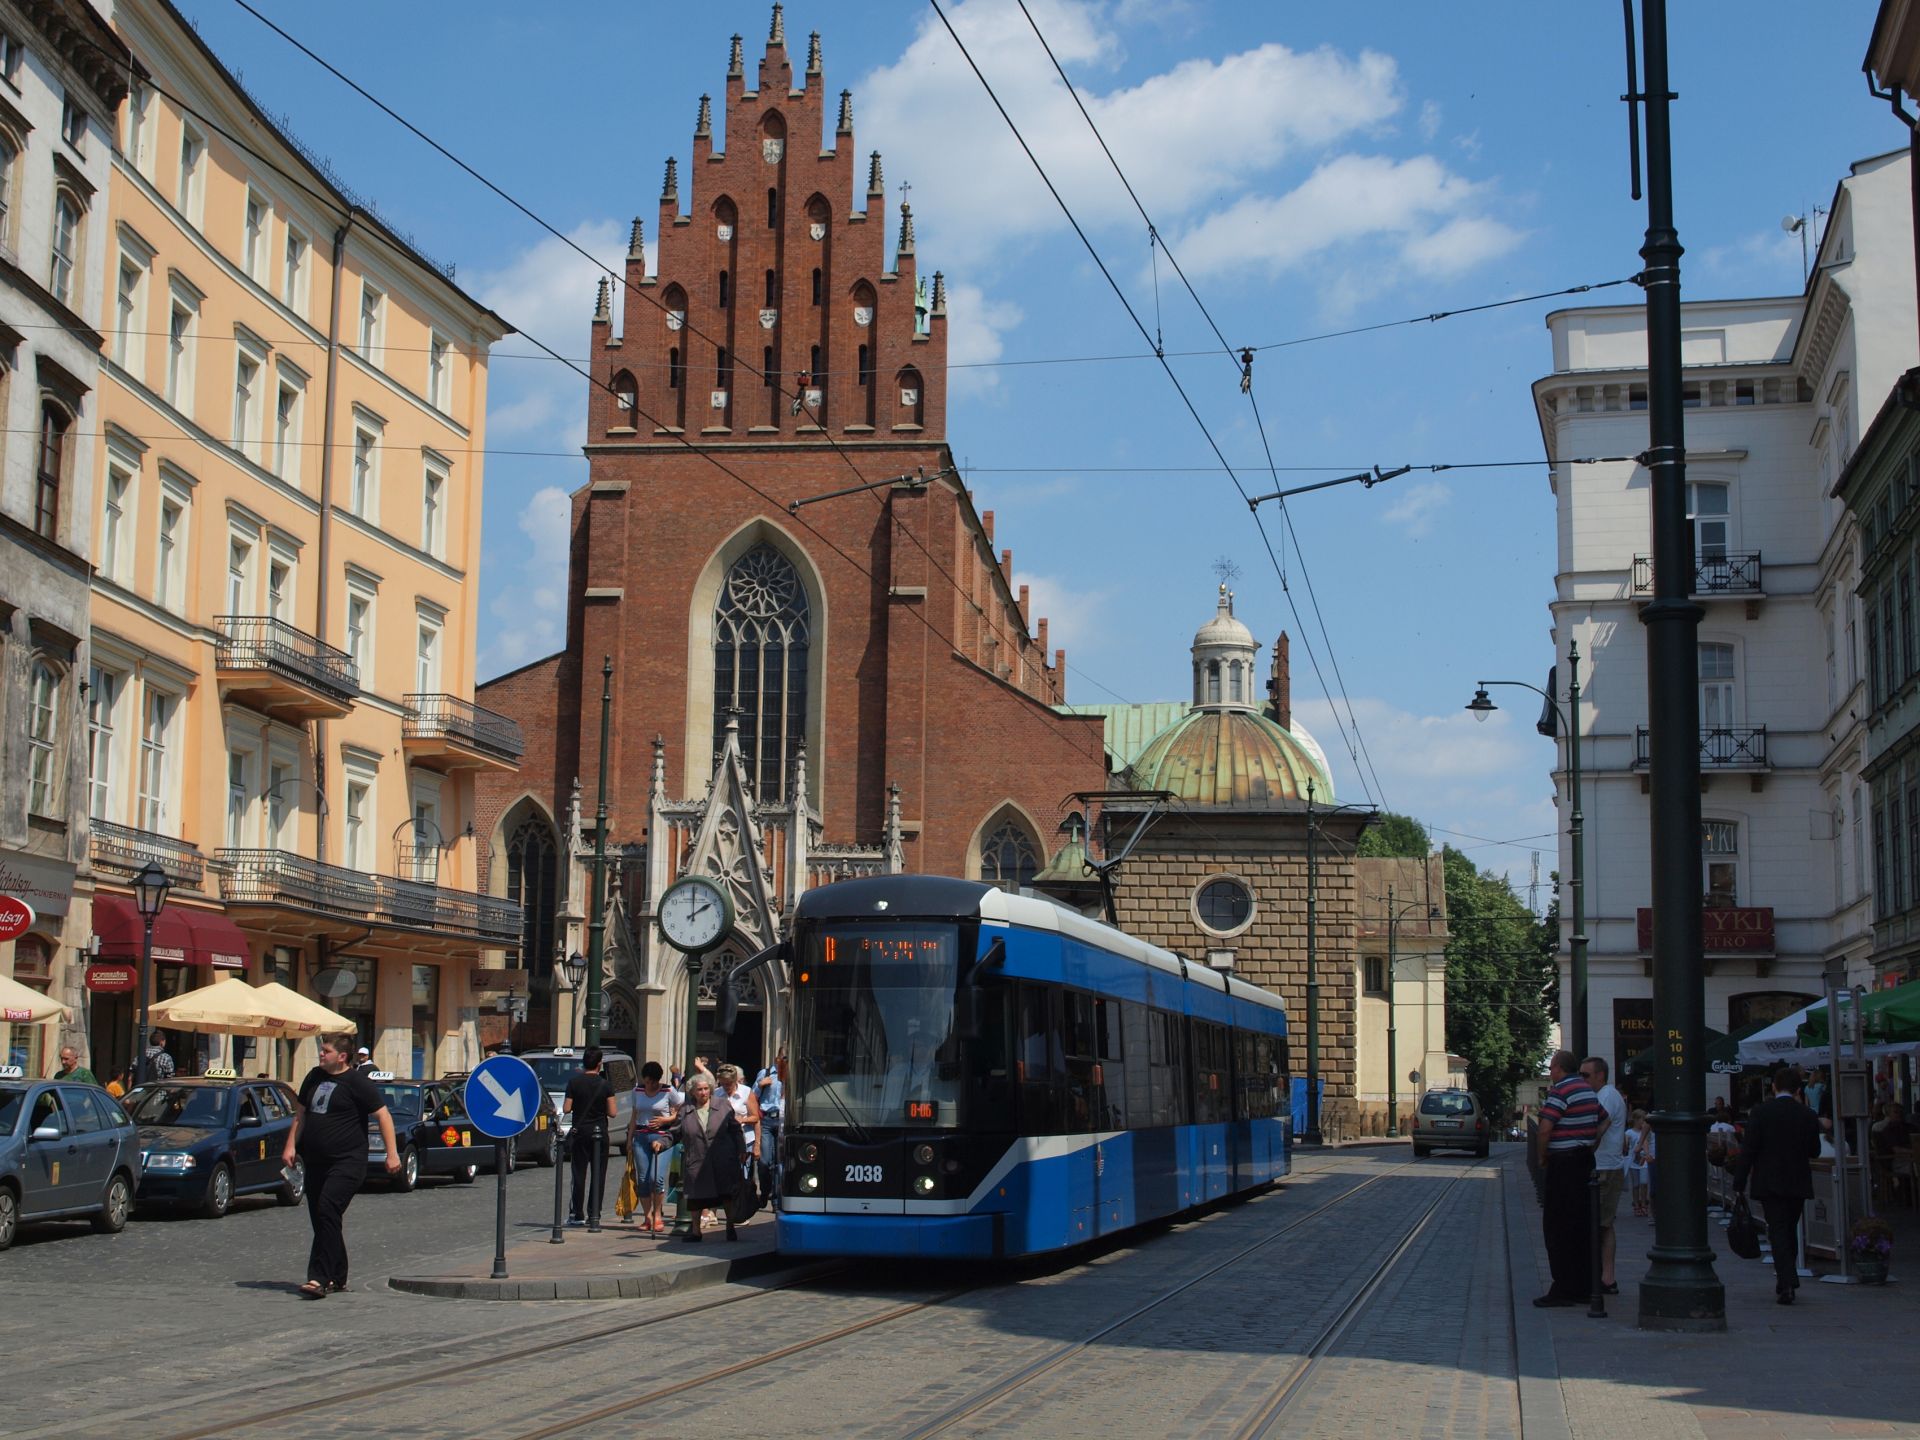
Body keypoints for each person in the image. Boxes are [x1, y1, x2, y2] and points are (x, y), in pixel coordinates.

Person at [284, 1033, 400, 1298]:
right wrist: (290, 1145)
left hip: (348, 1161)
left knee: (327, 1209)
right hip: (316, 1161)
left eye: (325, 1051)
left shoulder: (356, 1082)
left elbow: (383, 1115)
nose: (321, 1054)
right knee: (323, 1219)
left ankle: (318, 1278)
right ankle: (338, 1274)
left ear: (342, 1056)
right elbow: (300, 1114)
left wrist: (391, 1154)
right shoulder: (314, 1076)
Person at [1734, 1063, 1823, 1305]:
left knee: (1778, 1228)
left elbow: (1749, 1150)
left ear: (1774, 1087)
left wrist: (1739, 1179)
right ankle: (1787, 1276)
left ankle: (1786, 1280)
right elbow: (1814, 1150)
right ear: (1797, 1090)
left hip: (1770, 1180)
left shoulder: (1761, 1113)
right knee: (1789, 1227)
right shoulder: (1807, 1115)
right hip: (1797, 1180)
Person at [1533, 1048, 1601, 1307]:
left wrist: (1541, 1158)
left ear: (1559, 1068)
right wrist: (1590, 1143)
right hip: (1584, 1161)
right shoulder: (1587, 1091)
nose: (1550, 1072)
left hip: (1564, 1165)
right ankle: (1583, 1287)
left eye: (1551, 1068)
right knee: (1581, 1226)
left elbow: (1544, 1129)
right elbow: (1603, 1120)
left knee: (1557, 1226)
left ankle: (1562, 1288)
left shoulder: (1560, 1091)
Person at [660, 1073, 746, 1242]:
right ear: (692, 1092)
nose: (703, 1092)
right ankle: (696, 1231)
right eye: (699, 1089)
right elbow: (675, 1132)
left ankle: (730, 1226)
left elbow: (735, 1129)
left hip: (722, 1157)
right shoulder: (686, 1110)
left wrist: (742, 1149)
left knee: (726, 1193)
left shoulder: (723, 1105)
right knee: (695, 1196)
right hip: (697, 1158)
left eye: (706, 1089)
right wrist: (662, 1143)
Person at [1583, 1056, 1627, 1295]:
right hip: (1604, 1165)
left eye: (1586, 1075)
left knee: (1601, 1223)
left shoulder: (1607, 1096)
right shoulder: (1603, 1095)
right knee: (1601, 1223)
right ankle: (1604, 1276)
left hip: (1605, 1167)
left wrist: (1585, 1149)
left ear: (1600, 1075)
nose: (1582, 1079)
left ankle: (1605, 1278)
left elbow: (1600, 1125)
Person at [624, 1061, 683, 1235]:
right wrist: (629, 1139)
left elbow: (681, 1110)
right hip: (641, 1136)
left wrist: (667, 1119)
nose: (650, 1085)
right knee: (643, 1179)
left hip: (662, 1137)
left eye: (654, 1082)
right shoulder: (638, 1091)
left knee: (655, 1177)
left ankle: (658, 1215)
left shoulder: (668, 1091)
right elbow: (634, 1115)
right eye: (648, 1081)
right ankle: (647, 1216)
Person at [564, 1045, 616, 1231]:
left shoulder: (574, 1083)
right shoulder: (605, 1084)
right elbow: (613, 1112)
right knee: (598, 1174)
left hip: (581, 1132)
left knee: (578, 1174)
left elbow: (566, 1108)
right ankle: (595, 1213)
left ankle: (577, 1213)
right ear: (599, 1064)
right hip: (600, 1133)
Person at [716, 1063, 761, 1182]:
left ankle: (742, 1199)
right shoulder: (716, 1094)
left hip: (744, 1139)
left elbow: (755, 1118)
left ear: (735, 1080)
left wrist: (742, 1119)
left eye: (729, 1084)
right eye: (723, 1084)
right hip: (723, 1140)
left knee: (742, 1176)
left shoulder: (746, 1092)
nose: (726, 1087)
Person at [754, 1052, 785, 1203]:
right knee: (765, 1161)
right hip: (766, 1119)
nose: (784, 1062)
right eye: (783, 1058)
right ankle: (765, 1191)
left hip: (783, 1120)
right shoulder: (765, 1073)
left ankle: (776, 1198)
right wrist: (760, 1085)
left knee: (780, 1161)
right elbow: (752, 1096)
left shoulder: (791, 1075)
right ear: (776, 1058)